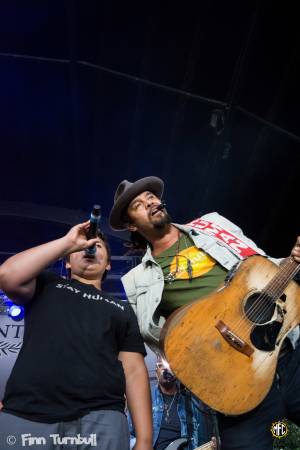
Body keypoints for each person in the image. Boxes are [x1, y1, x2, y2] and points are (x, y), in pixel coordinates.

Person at [109, 176, 300, 450]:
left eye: (151, 195)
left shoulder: (213, 225)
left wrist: (292, 260)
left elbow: (263, 268)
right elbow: (162, 341)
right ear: (131, 225)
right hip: (235, 379)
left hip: (287, 348)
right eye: (138, 204)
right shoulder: (136, 280)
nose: (150, 201)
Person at [0, 221, 153, 450]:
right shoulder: (47, 284)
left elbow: (133, 370)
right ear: (68, 261)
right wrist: (68, 242)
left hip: (101, 420)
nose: (90, 249)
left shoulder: (121, 309)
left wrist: (144, 440)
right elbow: (7, 275)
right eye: (83, 246)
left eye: (98, 245)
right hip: (27, 415)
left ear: (109, 265)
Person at [128, 356, 217, 450]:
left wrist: (212, 443)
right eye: (160, 366)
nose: (164, 369)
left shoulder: (190, 400)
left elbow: (202, 434)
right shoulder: (145, 398)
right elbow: (128, 433)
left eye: (167, 366)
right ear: (156, 374)